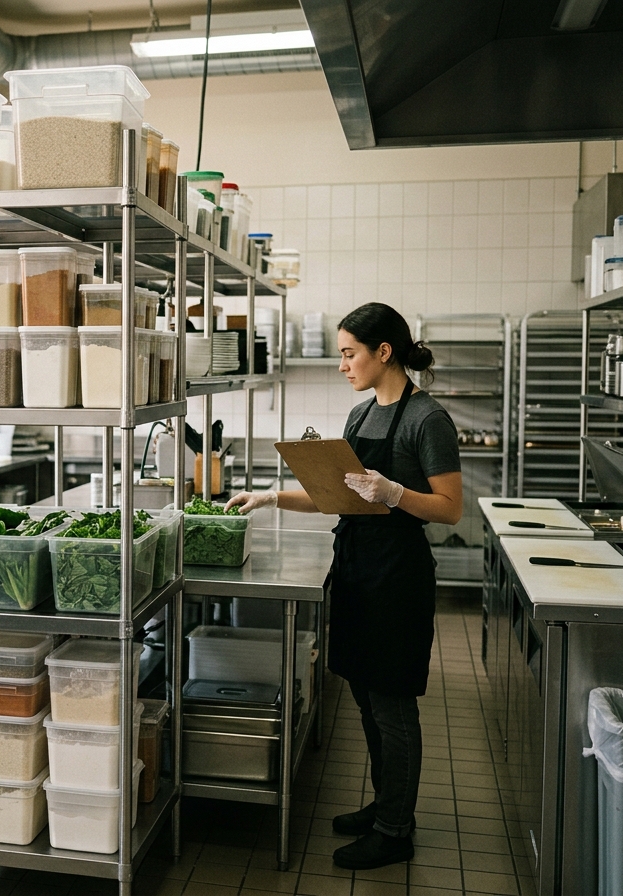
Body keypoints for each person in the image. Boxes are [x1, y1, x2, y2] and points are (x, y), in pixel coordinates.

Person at [227, 302, 462, 870]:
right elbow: (338, 496)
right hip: (356, 569)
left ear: (384, 353)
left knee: (393, 706)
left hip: (399, 579)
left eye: (349, 353)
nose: (343, 365)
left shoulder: (427, 420)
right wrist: (271, 496)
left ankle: (395, 829)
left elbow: (451, 508)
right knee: (363, 695)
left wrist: (395, 494)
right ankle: (385, 805)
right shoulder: (359, 418)